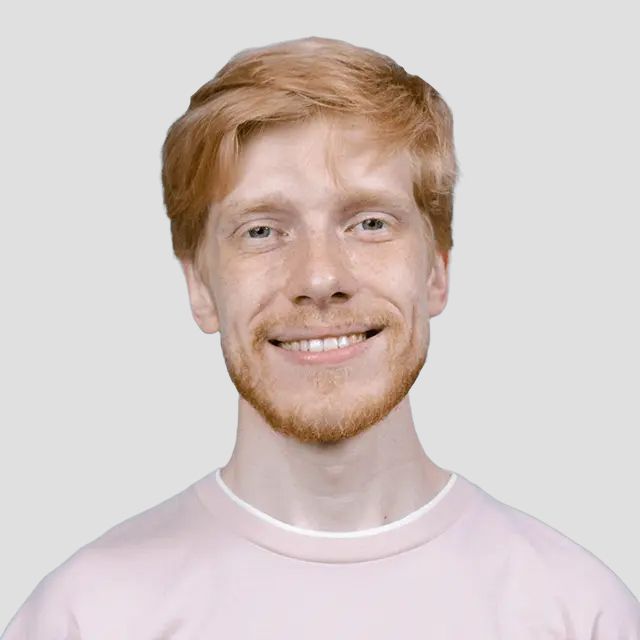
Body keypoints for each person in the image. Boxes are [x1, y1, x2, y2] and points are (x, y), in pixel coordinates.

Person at [3, 35, 639, 639]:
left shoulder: (578, 614)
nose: (319, 278)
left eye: (369, 222)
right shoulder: (87, 618)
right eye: (261, 231)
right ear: (200, 286)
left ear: (437, 271)